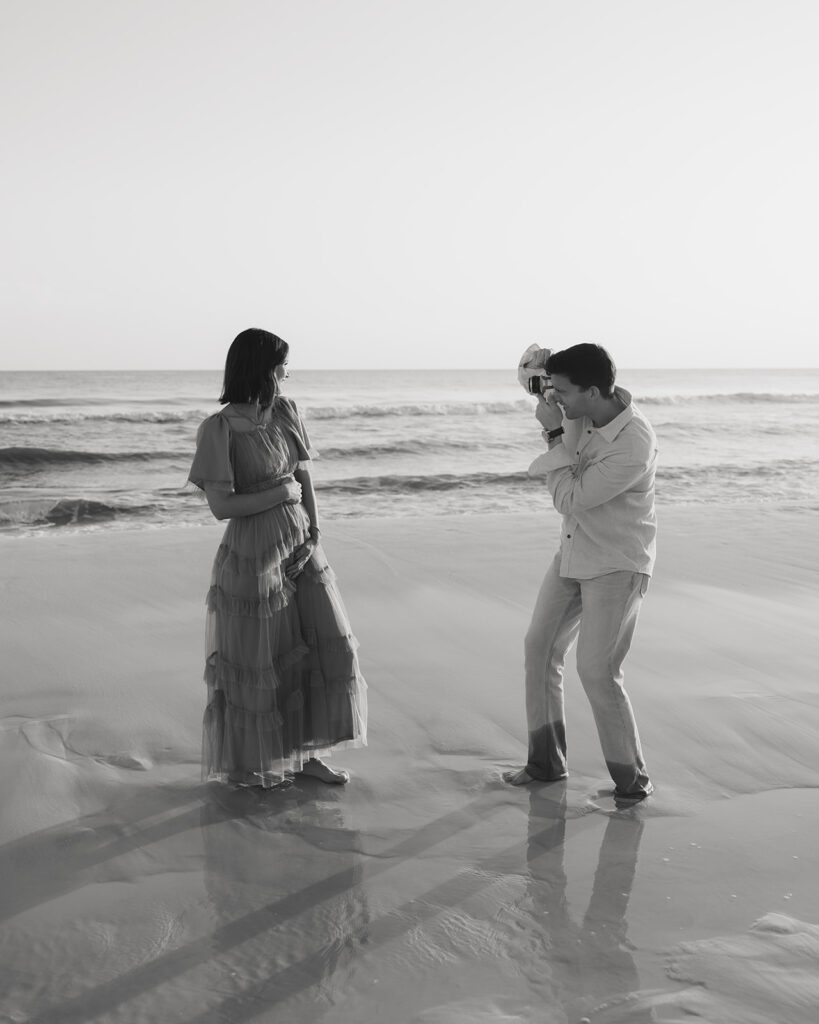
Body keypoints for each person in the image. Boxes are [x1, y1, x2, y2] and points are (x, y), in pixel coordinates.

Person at [188, 328, 367, 788]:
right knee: (261, 662)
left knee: (326, 647)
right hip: (253, 555)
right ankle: (247, 766)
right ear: (263, 368)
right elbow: (221, 507)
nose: (288, 371)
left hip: (302, 547)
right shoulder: (219, 429)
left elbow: (303, 477)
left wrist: (313, 533)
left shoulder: (286, 411)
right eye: (282, 363)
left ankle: (308, 755)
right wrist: (278, 492)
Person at [505, 343, 656, 801]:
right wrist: (535, 376)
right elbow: (543, 388)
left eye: (564, 393)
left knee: (597, 671)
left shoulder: (633, 444)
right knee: (539, 648)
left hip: (616, 562)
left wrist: (553, 438)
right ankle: (546, 763)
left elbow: (568, 498)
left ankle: (631, 782)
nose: (557, 401)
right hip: (573, 553)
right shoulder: (582, 405)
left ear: (592, 391)